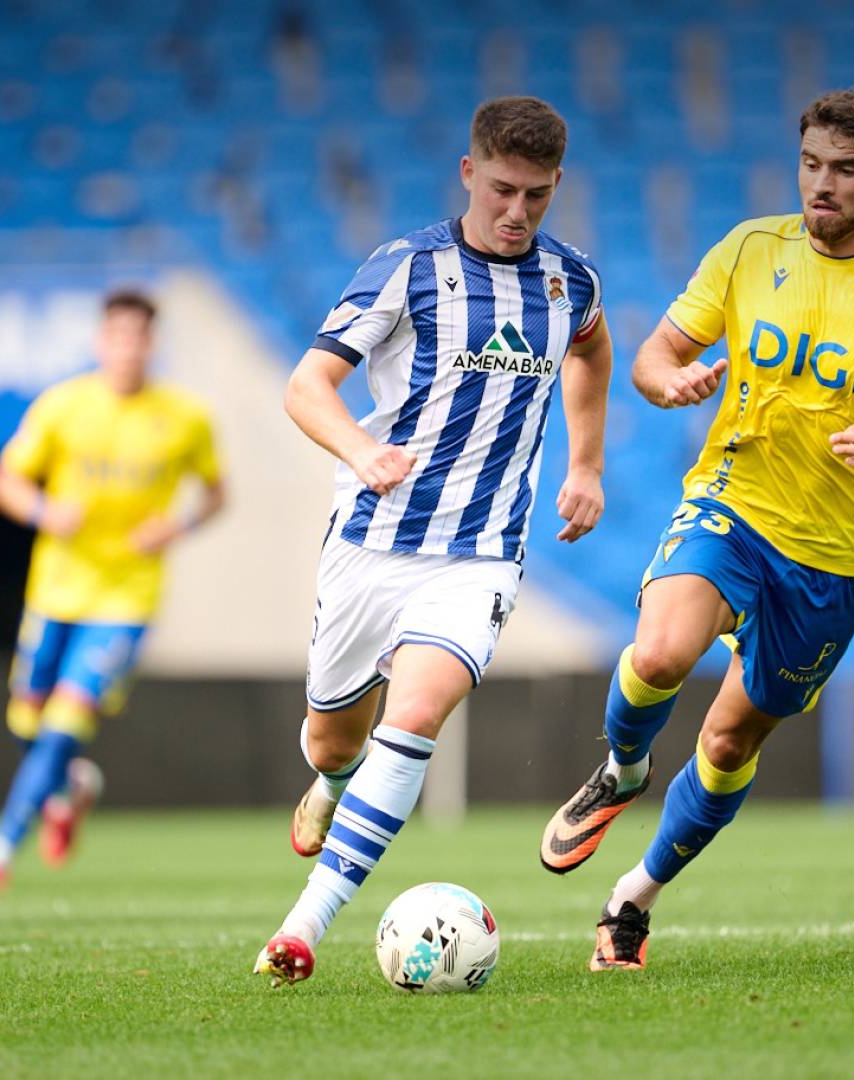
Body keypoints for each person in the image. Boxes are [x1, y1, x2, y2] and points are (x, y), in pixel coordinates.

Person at [536, 90, 854, 970]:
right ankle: (624, 767)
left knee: (731, 741)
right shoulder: (749, 249)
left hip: (831, 559)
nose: (822, 184)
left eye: (846, 169)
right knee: (661, 654)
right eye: (811, 164)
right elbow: (656, 354)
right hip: (731, 504)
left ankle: (634, 897)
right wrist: (668, 383)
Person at [253, 95, 611, 985]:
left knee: (413, 717)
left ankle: (301, 928)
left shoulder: (571, 282)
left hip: (479, 555)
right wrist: (361, 450)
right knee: (334, 742)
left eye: (536, 195)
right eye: (501, 190)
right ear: (468, 172)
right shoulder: (406, 269)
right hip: (372, 542)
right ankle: (330, 785)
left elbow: (592, 351)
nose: (517, 211)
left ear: (556, 185)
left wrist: (586, 465)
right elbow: (306, 386)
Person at [0, 289, 226, 894]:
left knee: (65, 720)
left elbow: (216, 492)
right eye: (118, 336)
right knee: (26, 719)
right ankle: (67, 790)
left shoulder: (186, 416)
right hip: (57, 588)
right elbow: (4, 482)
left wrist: (176, 525)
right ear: (100, 341)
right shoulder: (63, 406)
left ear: (153, 343)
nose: (128, 348)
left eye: (139, 337)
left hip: (126, 597)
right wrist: (44, 511)